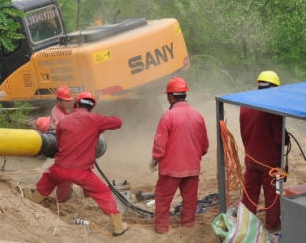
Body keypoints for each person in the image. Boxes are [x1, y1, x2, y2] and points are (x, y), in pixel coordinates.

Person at [29, 92, 128, 237]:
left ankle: (32, 203)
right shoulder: (95, 119)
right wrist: (100, 123)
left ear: (76, 104)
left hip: (59, 168)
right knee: (102, 193)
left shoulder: (63, 121)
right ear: (91, 106)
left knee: (46, 181)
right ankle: (118, 227)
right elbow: (118, 122)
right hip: (82, 173)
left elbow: (60, 144)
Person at [149, 77, 209, 234]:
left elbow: (160, 144)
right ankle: (188, 225)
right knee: (190, 199)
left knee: (162, 198)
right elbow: (204, 147)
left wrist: (154, 159)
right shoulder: (198, 115)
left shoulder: (168, 116)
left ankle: (162, 228)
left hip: (171, 169)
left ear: (170, 96)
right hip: (192, 167)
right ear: (184, 95)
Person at [239, 70, 288, 233]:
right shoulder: (272, 109)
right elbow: (279, 139)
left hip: (251, 158)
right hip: (270, 162)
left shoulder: (246, 106)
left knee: (250, 192)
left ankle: (246, 223)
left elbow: (244, 132)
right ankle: (273, 225)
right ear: (274, 87)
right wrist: (286, 138)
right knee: (273, 194)